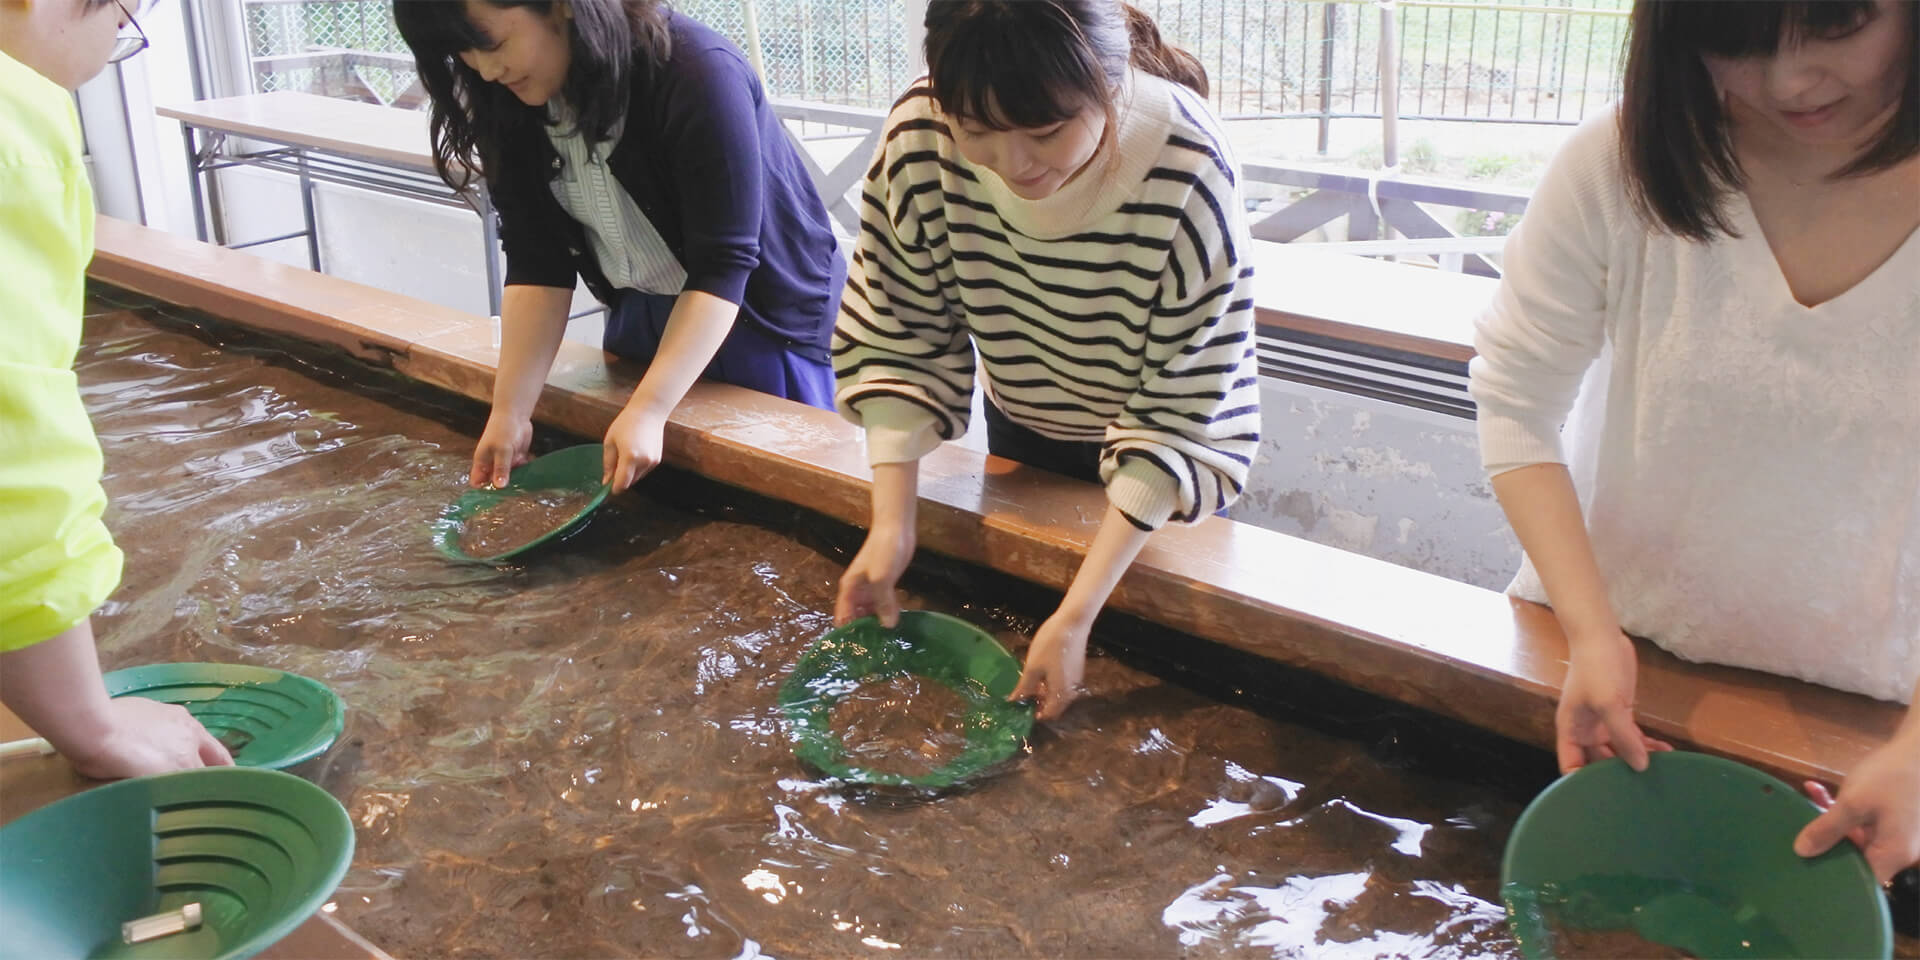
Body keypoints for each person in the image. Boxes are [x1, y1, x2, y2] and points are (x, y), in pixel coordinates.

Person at [1468, 0, 1918, 881]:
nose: (1788, 82)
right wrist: (1594, 637)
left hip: (1874, 717)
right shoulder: (1620, 160)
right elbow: (1515, 399)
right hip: (1622, 674)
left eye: (1837, 29)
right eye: (1736, 45)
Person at [832, 0, 1261, 720]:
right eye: (978, 134)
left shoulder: (1189, 166)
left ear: (1109, 84)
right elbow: (898, 329)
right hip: (1024, 416)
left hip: (1161, 453)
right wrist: (892, 525)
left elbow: (1185, 410)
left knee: (1138, 635)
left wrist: (1079, 613)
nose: (1014, 165)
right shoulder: (919, 132)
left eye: (1046, 131)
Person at [393, 0, 845, 493]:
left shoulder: (696, 71)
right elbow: (537, 260)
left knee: (777, 498)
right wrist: (510, 412)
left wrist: (650, 408)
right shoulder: (506, 97)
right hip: (642, 309)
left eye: (492, 43)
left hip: (760, 318)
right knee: (648, 489)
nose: (485, 68)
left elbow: (724, 263)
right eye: (464, 53)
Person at [0, 0, 234, 778]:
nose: (113, 48)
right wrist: (91, 725)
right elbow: (14, 442)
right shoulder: (13, 132)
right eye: (127, 15)